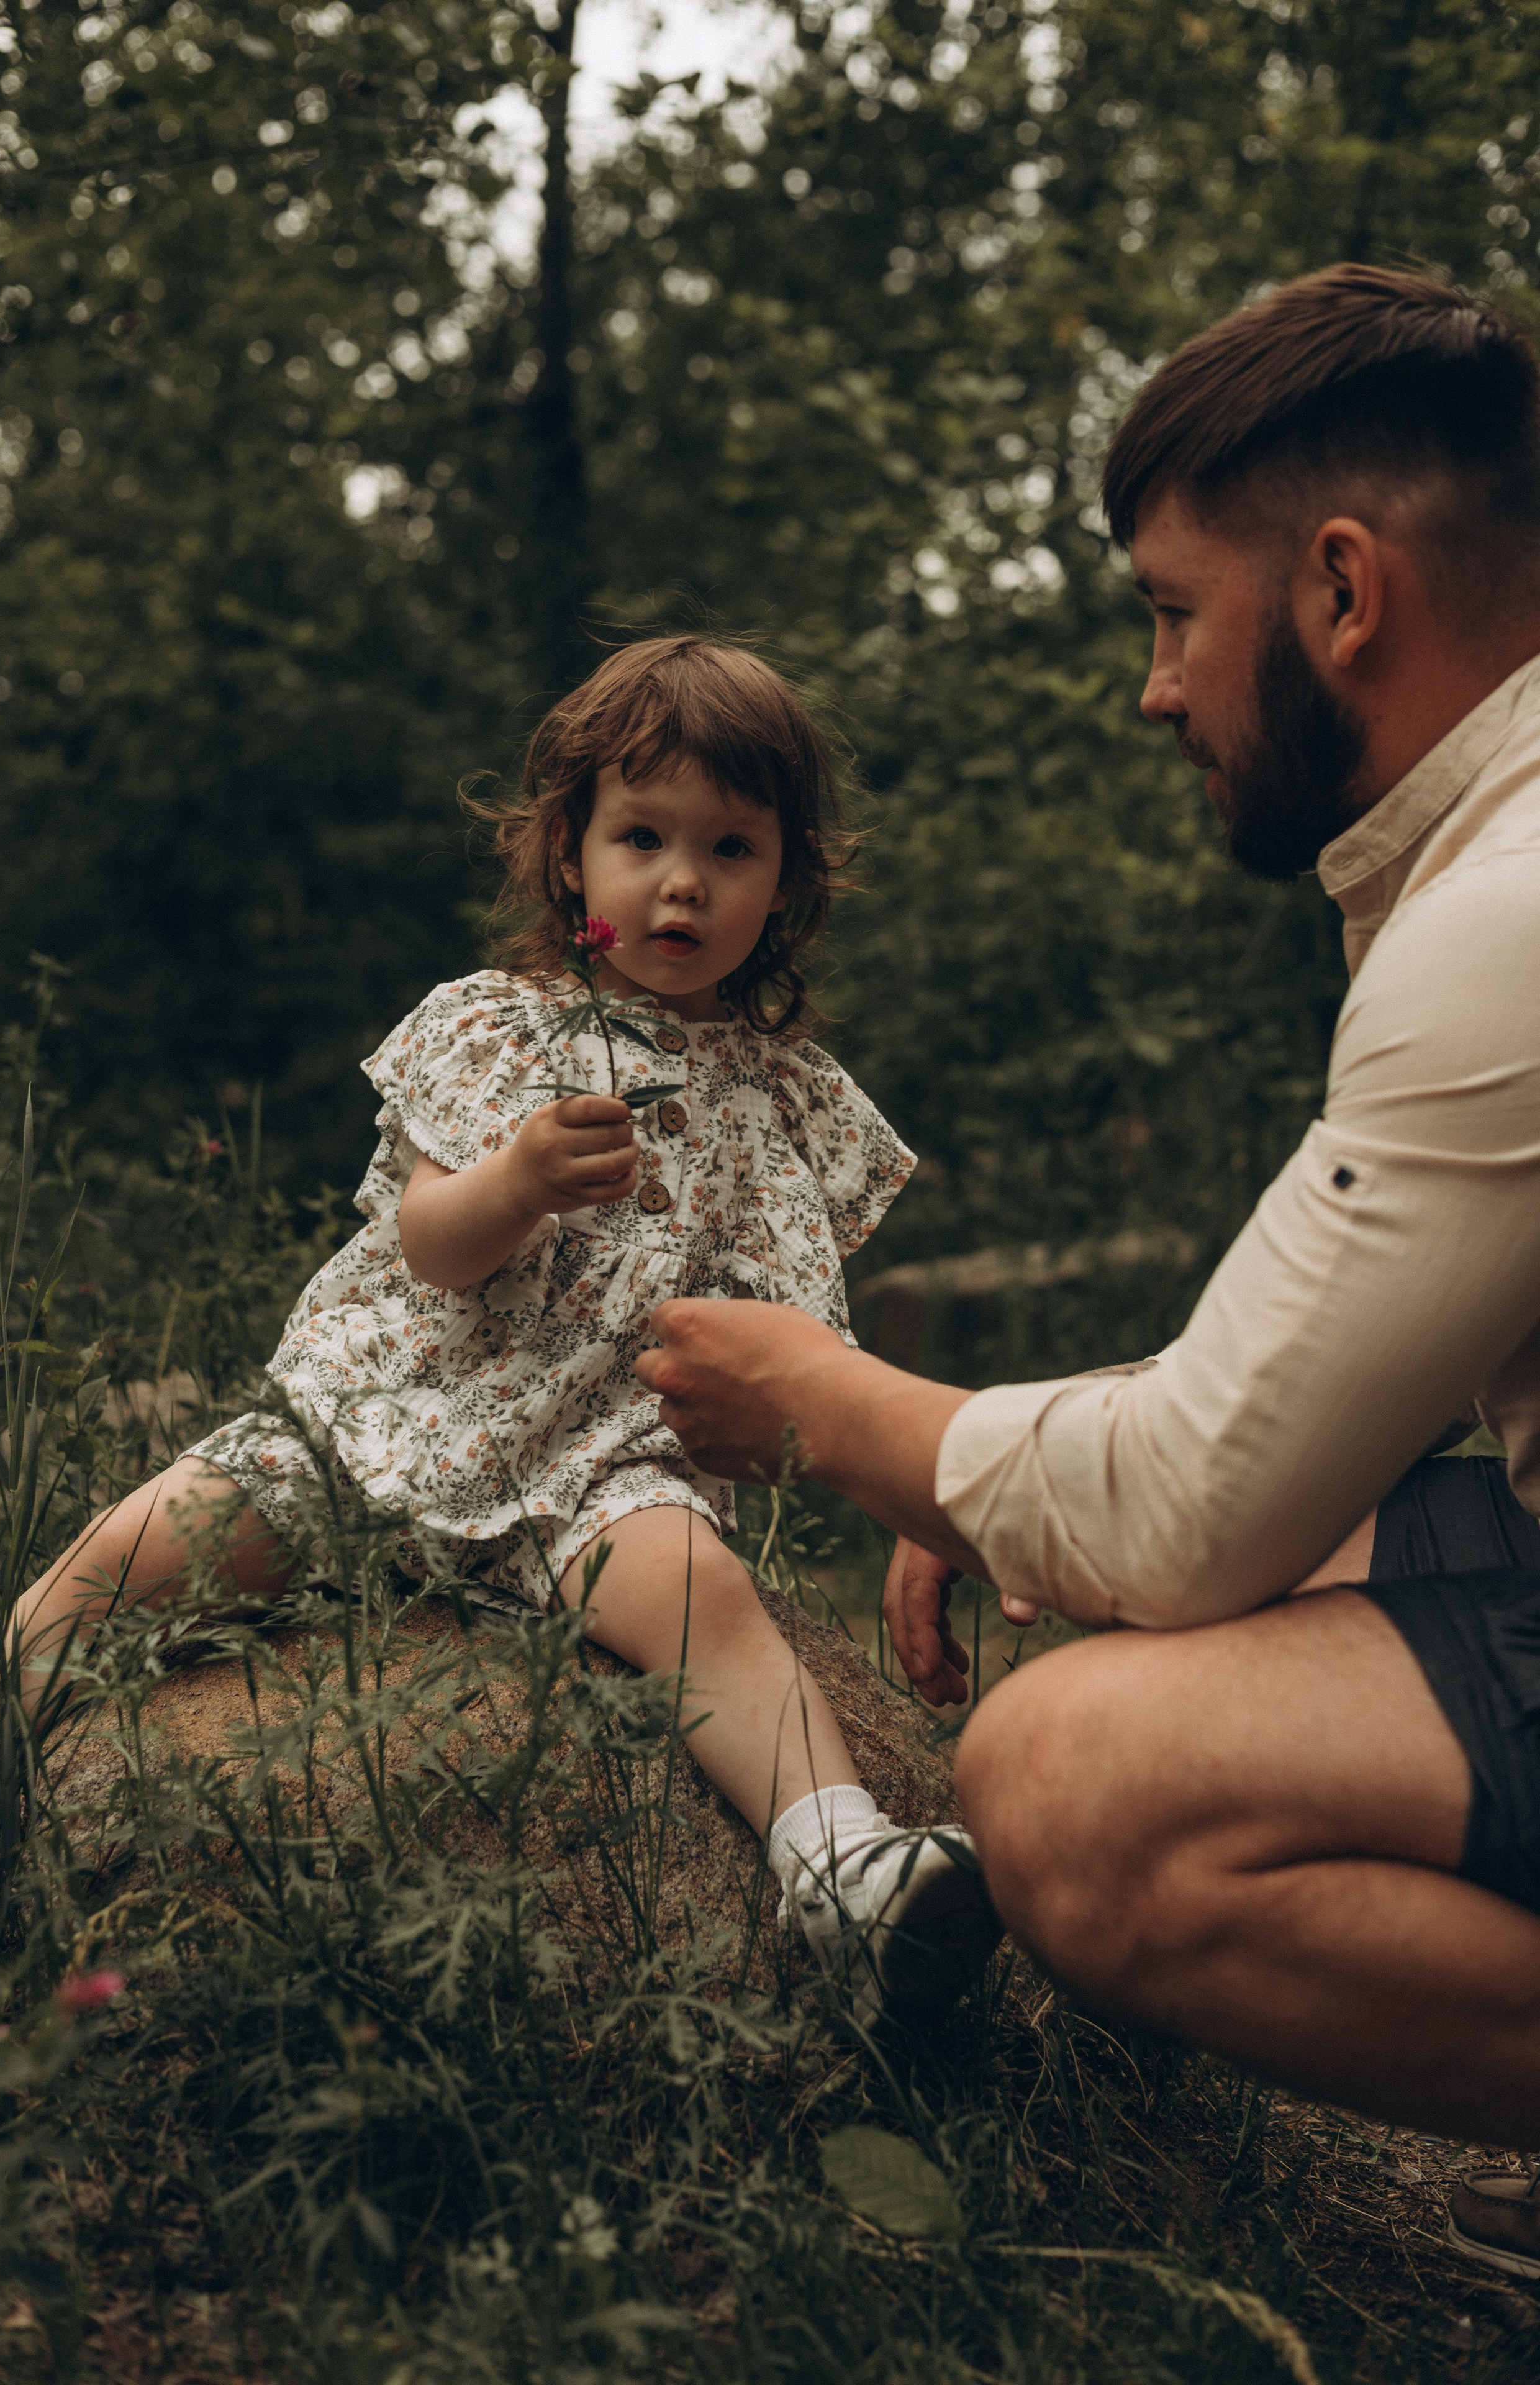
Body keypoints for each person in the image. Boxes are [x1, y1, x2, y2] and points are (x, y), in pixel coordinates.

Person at [633, 268, 1540, 2247]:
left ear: (1342, 591)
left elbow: (1197, 1508)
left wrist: (834, 1408)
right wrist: (1003, 1458)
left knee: (1066, 1778)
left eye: (1168, 613)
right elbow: (1287, 1406)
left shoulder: (1513, 918)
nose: (1154, 688)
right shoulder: (1485, 862)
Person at [0, 637, 1000, 2029]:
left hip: (603, 1468)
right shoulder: (497, 1028)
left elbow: (803, 1350)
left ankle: (839, 1862)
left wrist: (909, 1497)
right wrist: (513, 1179)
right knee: (139, 1546)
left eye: (731, 847)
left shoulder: (780, 1100)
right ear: (570, 858)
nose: (682, 880)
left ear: (788, 882)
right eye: (642, 836)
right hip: (395, 1413)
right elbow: (425, 1242)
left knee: (708, 1610)